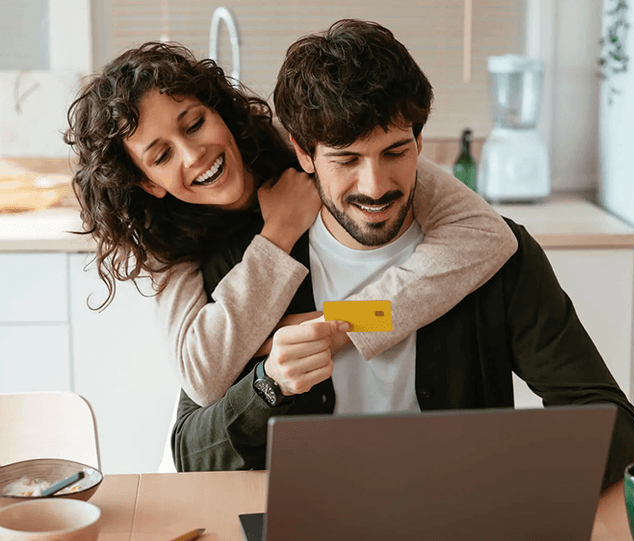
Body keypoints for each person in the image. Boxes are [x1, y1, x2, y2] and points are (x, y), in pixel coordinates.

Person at [169, 19, 634, 489]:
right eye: (347, 159)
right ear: (304, 153)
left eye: (395, 152)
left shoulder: (495, 257)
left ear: (420, 140)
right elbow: (191, 456)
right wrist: (267, 386)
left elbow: (615, 426)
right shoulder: (242, 262)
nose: (376, 187)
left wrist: (498, 480)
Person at [64, 42, 519, 408]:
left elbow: (487, 234)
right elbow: (203, 376)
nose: (193, 154)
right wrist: (277, 235)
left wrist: (320, 326)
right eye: (161, 155)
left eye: (195, 123)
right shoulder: (166, 241)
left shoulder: (315, 153)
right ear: (148, 183)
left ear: (219, 110)